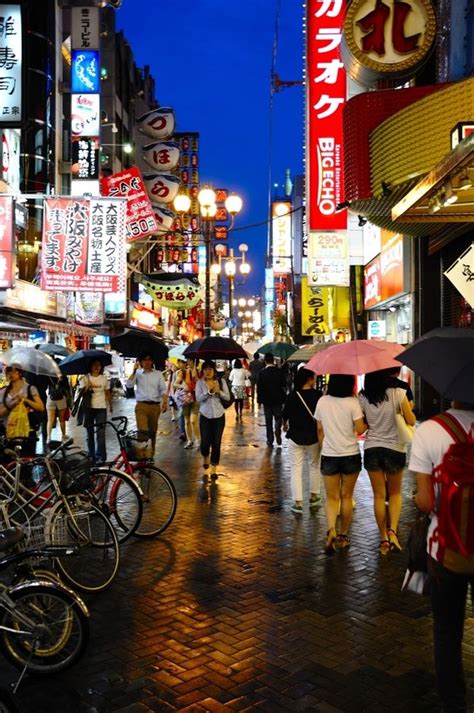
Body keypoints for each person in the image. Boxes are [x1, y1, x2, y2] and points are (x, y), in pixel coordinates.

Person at [410, 399, 474, 713]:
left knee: (447, 631)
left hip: (444, 549)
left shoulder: (431, 430)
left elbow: (424, 502)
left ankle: (454, 704)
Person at [359, 369, 416, 554]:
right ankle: (393, 532)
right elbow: (411, 420)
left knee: (378, 496)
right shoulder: (398, 394)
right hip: (394, 448)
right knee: (395, 494)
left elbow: (363, 424)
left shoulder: (363, 397)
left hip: (372, 448)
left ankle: (382, 537)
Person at [315, 374, 366, 553]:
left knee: (331, 497)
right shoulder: (353, 402)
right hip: (350, 453)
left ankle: (331, 530)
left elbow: (320, 430)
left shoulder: (322, 401)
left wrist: (324, 447)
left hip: (329, 454)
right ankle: (344, 535)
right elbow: (360, 430)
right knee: (346, 496)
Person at [282, 367, 323, 513]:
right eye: (314, 377)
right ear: (309, 379)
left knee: (296, 468)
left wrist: (285, 424)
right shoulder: (318, 395)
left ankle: (298, 502)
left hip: (295, 437)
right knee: (314, 466)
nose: (315, 379)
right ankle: (314, 496)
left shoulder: (292, 395)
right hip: (313, 437)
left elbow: (285, 414)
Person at [126, 352, 168, 456]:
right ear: (140, 362)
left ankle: (151, 455)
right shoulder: (138, 374)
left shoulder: (158, 374)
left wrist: (165, 402)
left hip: (154, 406)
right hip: (141, 406)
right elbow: (129, 385)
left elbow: (163, 389)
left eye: (149, 359)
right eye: (144, 360)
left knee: (152, 432)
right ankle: (142, 456)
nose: (147, 362)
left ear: (152, 361)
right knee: (143, 431)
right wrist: (134, 370)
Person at [195, 360, 230, 479]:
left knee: (216, 443)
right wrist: (209, 393)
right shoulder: (199, 383)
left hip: (219, 416)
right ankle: (205, 456)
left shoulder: (221, 381)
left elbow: (228, 396)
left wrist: (218, 391)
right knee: (205, 442)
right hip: (205, 416)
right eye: (205, 369)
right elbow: (198, 398)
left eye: (210, 369)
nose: (207, 371)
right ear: (202, 371)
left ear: (214, 370)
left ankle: (214, 469)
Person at [0, 365, 45, 455]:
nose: (10, 374)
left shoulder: (30, 388)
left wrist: (25, 400)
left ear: (20, 372)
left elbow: (40, 407)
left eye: (12, 371)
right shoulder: (3, 392)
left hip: (27, 433)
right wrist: (11, 406)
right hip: (9, 433)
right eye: (7, 371)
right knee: (11, 465)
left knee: (26, 463)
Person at [79, 359, 112, 464]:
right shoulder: (85, 378)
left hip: (101, 408)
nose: (97, 367)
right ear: (90, 366)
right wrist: (86, 387)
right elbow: (81, 393)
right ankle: (91, 456)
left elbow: (107, 392)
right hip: (88, 408)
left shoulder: (104, 379)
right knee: (90, 434)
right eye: (94, 365)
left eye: (98, 365)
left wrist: (110, 405)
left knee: (101, 434)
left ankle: (101, 457)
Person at [257, 353, 287, 447]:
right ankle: (277, 429)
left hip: (266, 401)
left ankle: (270, 440)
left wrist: (259, 401)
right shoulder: (279, 371)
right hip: (278, 399)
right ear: (273, 360)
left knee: (268, 421)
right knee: (278, 417)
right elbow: (284, 384)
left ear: (265, 361)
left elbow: (259, 388)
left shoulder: (262, 373)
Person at [46, 373, 71, 443]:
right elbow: (67, 388)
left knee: (51, 419)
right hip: (60, 398)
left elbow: (46, 387)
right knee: (61, 419)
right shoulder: (63, 376)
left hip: (51, 398)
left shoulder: (49, 375)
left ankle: (49, 437)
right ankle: (62, 435)